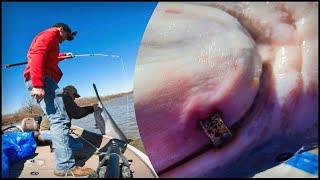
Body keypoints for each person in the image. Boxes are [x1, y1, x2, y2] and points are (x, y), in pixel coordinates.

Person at [23, 22, 94, 177]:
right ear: (61, 29)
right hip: (43, 79)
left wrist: (62, 57)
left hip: (44, 78)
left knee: (57, 120)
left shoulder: (52, 38)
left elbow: (48, 58)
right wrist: (37, 84)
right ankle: (65, 166)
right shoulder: (50, 35)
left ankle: (66, 157)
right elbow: (37, 55)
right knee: (59, 120)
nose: (63, 40)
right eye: (65, 36)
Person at [38, 85, 99, 157]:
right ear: (69, 92)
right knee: (78, 146)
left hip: (45, 131)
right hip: (50, 132)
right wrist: (92, 108)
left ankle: (59, 149)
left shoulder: (57, 98)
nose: (74, 98)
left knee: (69, 142)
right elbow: (77, 113)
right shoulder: (65, 97)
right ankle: (65, 158)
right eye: (74, 95)